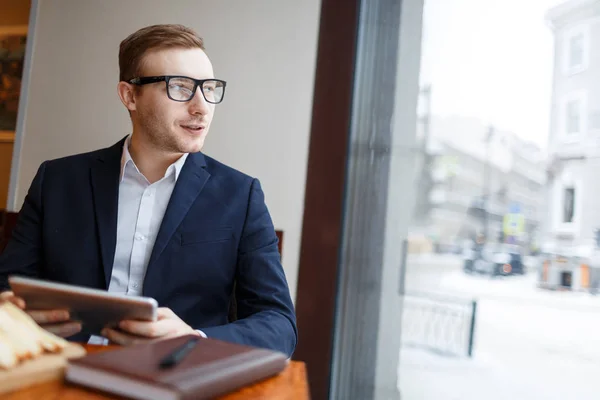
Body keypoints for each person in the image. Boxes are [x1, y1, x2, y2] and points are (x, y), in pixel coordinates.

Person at [0, 24, 297, 357]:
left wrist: (194, 340)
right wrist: (14, 312)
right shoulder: (56, 180)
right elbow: (7, 288)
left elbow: (279, 324)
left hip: (175, 376)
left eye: (209, 88)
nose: (202, 106)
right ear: (130, 96)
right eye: (181, 87)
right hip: (64, 367)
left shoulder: (241, 196)